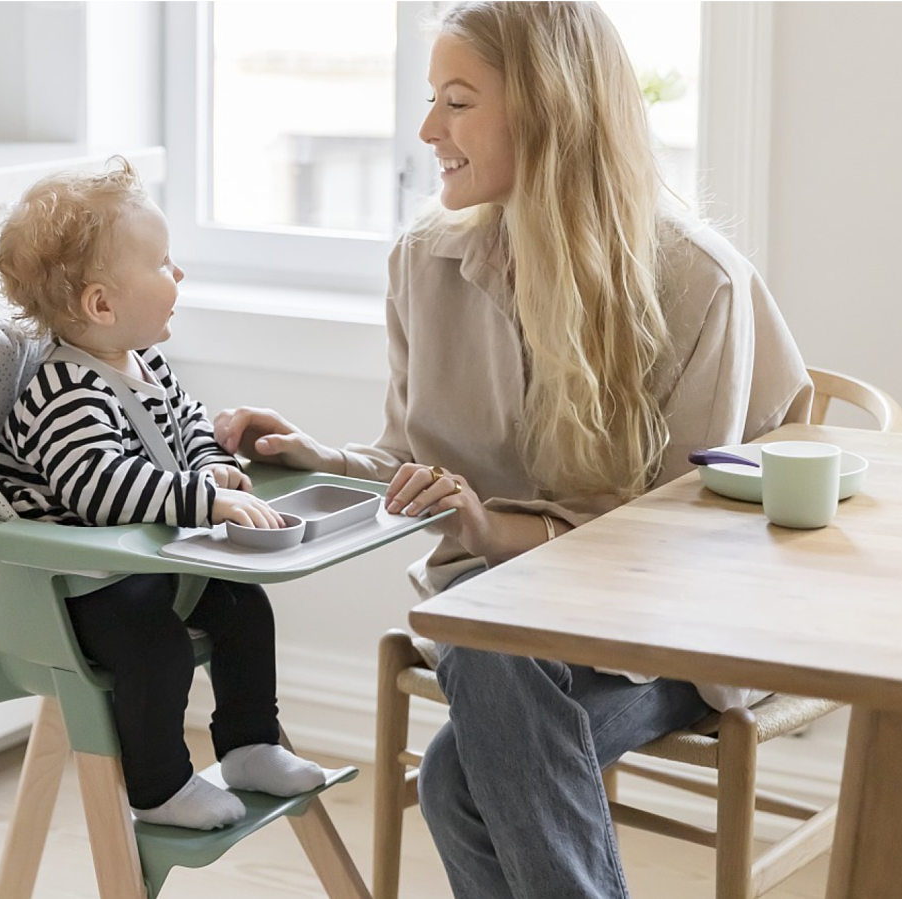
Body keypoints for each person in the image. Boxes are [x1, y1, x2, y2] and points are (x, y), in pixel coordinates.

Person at [213, 0, 812, 894]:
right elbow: (419, 466)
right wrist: (321, 458)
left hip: (668, 629)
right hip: (495, 619)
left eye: (458, 101)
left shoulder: (698, 282)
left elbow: (677, 549)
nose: (427, 129)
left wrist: (492, 533)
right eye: (432, 99)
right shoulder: (425, 262)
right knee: (488, 637)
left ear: (550, 107)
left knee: (459, 771)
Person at [0, 159, 326, 831]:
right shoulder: (64, 392)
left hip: (143, 563)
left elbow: (190, 427)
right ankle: (160, 786)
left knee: (242, 605)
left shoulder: (145, 365)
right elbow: (101, 489)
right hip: (78, 583)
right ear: (102, 304)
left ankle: (249, 743)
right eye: (164, 264)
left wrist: (215, 469)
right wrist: (205, 500)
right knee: (156, 645)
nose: (180, 276)